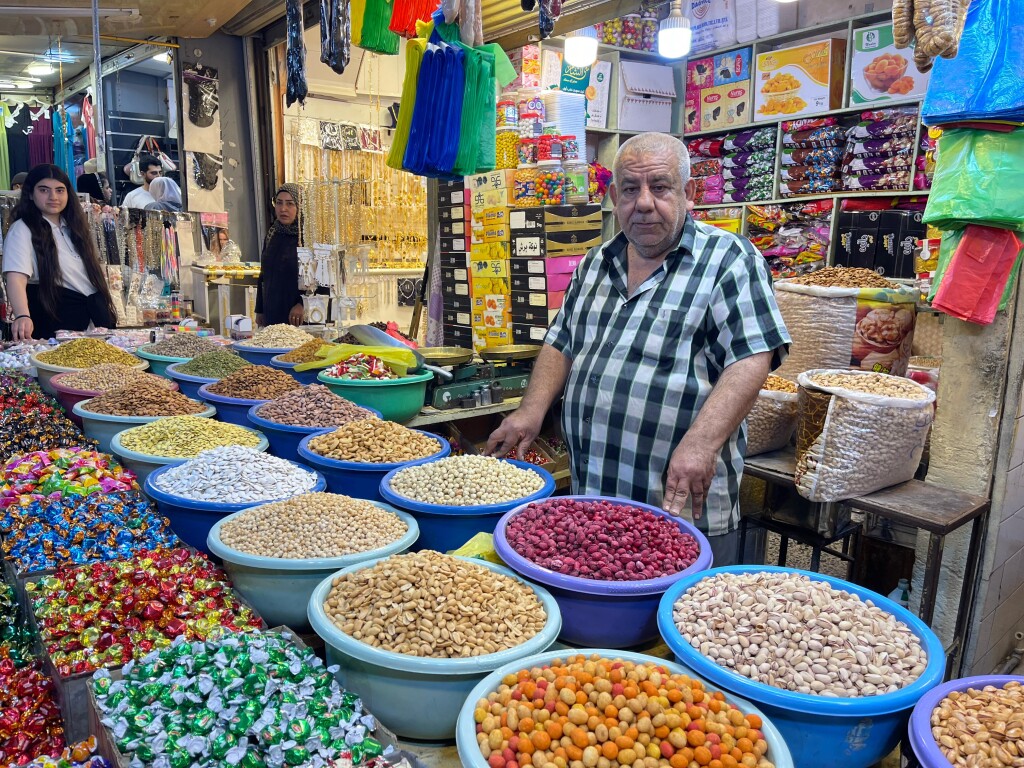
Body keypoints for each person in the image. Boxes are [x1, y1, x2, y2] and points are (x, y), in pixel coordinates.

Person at [486, 133, 791, 566]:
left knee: (676, 624)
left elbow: (751, 357)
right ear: (613, 197)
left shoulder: (728, 259)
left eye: (660, 187)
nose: (644, 202)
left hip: (679, 505)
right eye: (630, 189)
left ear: (688, 192)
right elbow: (561, 343)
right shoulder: (595, 263)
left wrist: (701, 444)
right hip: (592, 502)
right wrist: (530, 410)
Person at [2, 163, 117, 340]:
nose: (53, 196)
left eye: (60, 190)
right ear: (31, 194)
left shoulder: (75, 228)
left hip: (92, 318)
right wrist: (22, 315)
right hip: (56, 318)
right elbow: (16, 277)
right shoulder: (22, 229)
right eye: (44, 190)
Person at [255, 184, 306, 327]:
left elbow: (321, 279)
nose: (283, 209)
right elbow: (264, 274)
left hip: (298, 318)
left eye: (290, 204)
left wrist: (303, 304)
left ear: (301, 207)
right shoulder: (272, 234)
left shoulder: (309, 237)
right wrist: (260, 309)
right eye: (279, 203)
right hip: (272, 312)